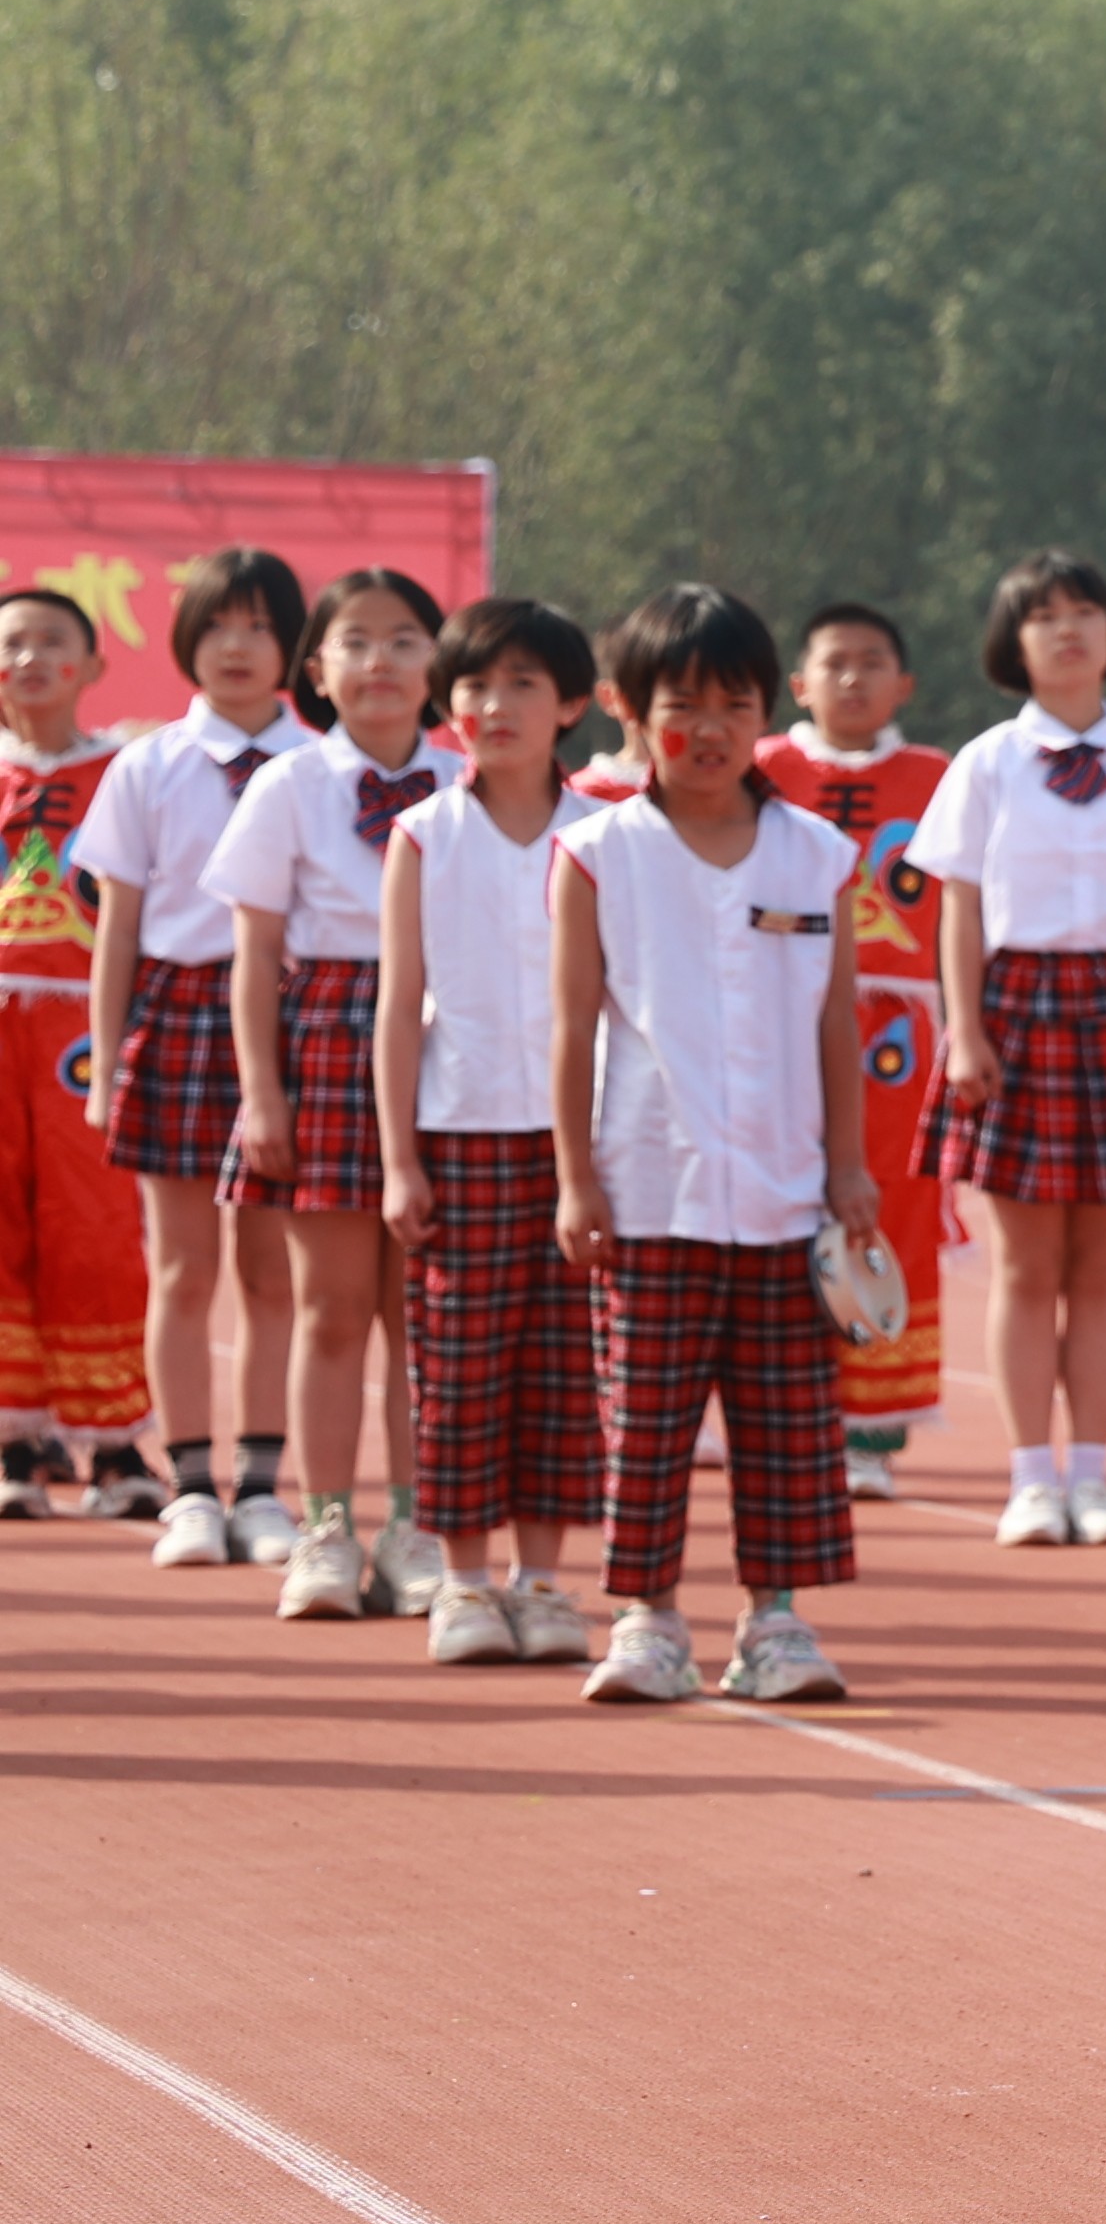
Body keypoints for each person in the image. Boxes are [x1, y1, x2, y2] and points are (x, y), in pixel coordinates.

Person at [551, 586, 875, 1707]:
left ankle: (774, 1622)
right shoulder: (597, 853)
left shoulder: (818, 854)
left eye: (733, 702)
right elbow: (573, 1024)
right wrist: (573, 1176)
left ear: (765, 713)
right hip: (649, 1189)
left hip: (787, 1192)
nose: (709, 728)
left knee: (787, 1421)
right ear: (628, 711)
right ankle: (645, 1620)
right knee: (645, 1416)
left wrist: (848, 1166)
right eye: (680, 702)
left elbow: (838, 1019)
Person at [911, 552, 1106, 1548]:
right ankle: (1031, 1476)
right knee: (1027, 1267)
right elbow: (960, 902)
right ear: (1011, 641)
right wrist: (967, 1028)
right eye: (1044, 616)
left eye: (1085, 612)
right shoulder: (984, 762)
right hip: (1016, 1007)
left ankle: (1096, 1476)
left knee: (1103, 1266)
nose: (1066, 630)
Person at [210, 567, 450, 1622]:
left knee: (423, 1313)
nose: (382, 662)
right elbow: (252, 955)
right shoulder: (288, 785)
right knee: (332, 1305)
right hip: (326, 1042)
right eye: (356, 642)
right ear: (319, 670)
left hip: (451, 1044)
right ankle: (323, 1529)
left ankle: (414, 1528)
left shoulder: (472, 779)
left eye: (405, 640)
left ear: (439, 664)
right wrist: (262, 1095)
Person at [76, 547, 316, 1567]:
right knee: (178, 1266)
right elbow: (117, 926)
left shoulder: (323, 764)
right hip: (175, 1014)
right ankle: (188, 1487)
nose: (236, 646)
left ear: (291, 650)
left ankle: (261, 1487)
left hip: (293, 1019)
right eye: (218, 625)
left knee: (268, 1270)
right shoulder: (150, 763)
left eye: (259, 628)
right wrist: (105, 1060)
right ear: (187, 641)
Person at [379, 597, 607, 1666]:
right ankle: (463, 1583)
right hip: (461, 1129)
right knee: (461, 1361)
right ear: (446, 703)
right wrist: (397, 1159)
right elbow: (397, 1002)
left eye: (522, 684)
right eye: (473, 684)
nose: (493, 704)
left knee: (565, 1364)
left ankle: (547, 1579)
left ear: (571, 704)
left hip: (586, 1144)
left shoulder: (607, 834)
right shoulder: (424, 832)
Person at [757, 605, 949, 1501]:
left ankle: (872, 1423)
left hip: (901, 1030)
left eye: (874, 663)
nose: (853, 680)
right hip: (780, 1009)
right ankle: (785, 1408)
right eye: (834, 663)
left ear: (903, 684)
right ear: (799, 685)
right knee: (778, 1196)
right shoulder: (766, 768)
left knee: (892, 1198)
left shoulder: (937, 777)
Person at [0, 586, 151, 1519]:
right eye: (12, 643)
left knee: (96, 1221)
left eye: (53, 640)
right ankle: (16, 1438)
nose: (29, 658)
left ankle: (113, 1442)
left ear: (93, 665)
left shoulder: (127, 771)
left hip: (86, 1026)